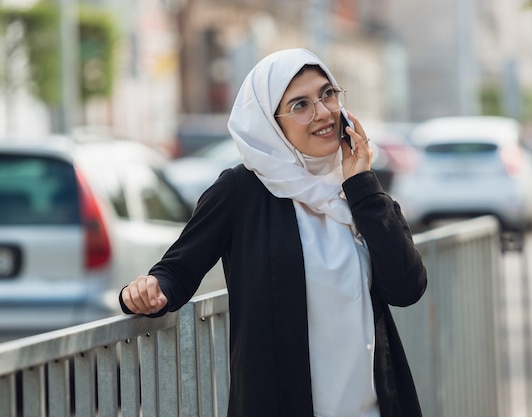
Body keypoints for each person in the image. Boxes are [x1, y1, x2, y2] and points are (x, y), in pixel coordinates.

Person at [120, 48, 427, 417]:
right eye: (300, 105)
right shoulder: (242, 191)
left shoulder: (359, 191)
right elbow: (177, 271)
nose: (323, 112)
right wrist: (146, 292)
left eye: (327, 94)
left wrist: (362, 184)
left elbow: (407, 287)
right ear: (270, 122)